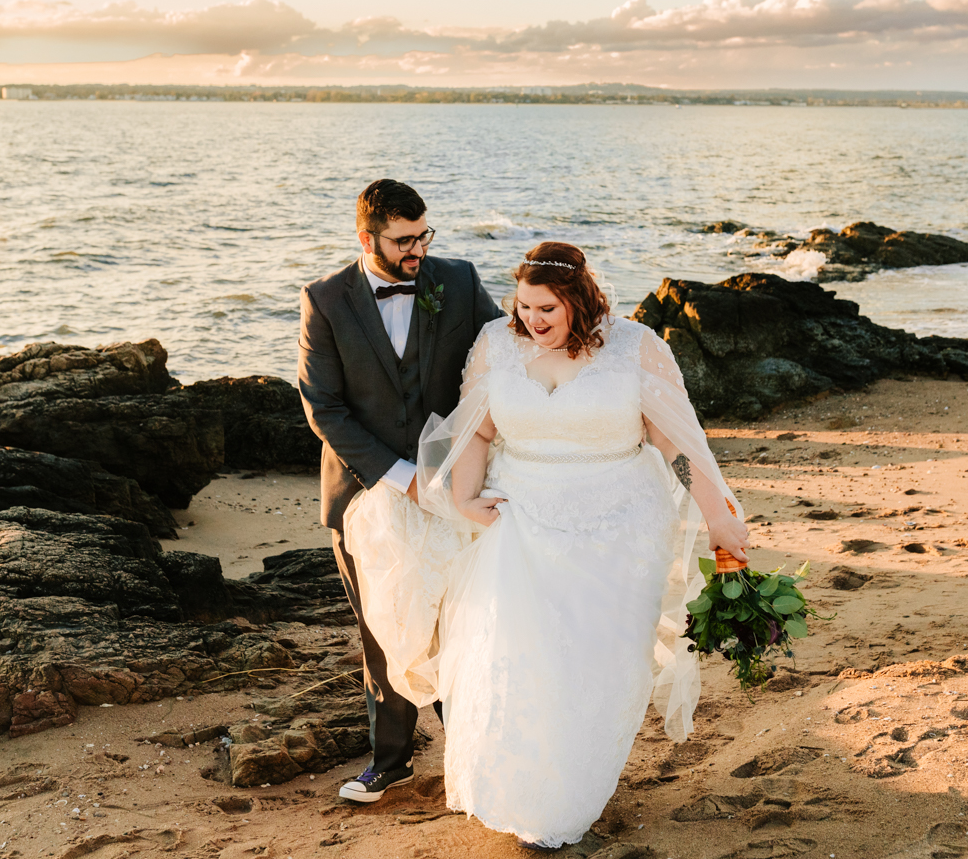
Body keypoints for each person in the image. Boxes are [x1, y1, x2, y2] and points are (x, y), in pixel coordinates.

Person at [412, 241, 750, 850]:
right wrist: (465, 500)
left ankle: (575, 786)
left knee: (600, 662)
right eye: (523, 307)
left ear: (578, 300)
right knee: (520, 658)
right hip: (520, 519)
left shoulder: (638, 349)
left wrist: (719, 518)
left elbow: (680, 446)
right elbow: (477, 428)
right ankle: (524, 790)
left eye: (546, 309)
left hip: (619, 526)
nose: (532, 322)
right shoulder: (496, 343)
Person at [297, 178, 503, 803]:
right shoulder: (326, 299)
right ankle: (391, 761)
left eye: (423, 236)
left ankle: (474, 752)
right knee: (383, 629)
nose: (418, 250)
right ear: (368, 238)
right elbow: (324, 409)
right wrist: (399, 477)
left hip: (455, 487)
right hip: (365, 493)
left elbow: (506, 350)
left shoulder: (458, 280)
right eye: (403, 240)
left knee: (459, 622)